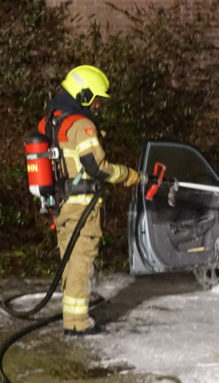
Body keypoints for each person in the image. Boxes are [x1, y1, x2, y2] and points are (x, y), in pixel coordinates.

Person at [38, 65, 140, 336]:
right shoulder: (81, 125)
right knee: (82, 260)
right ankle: (77, 324)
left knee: (70, 260)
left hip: (60, 204)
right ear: (82, 95)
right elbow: (97, 167)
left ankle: (72, 315)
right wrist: (128, 175)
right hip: (82, 203)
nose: (97, 106)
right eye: (95, 99)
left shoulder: (50, 122)